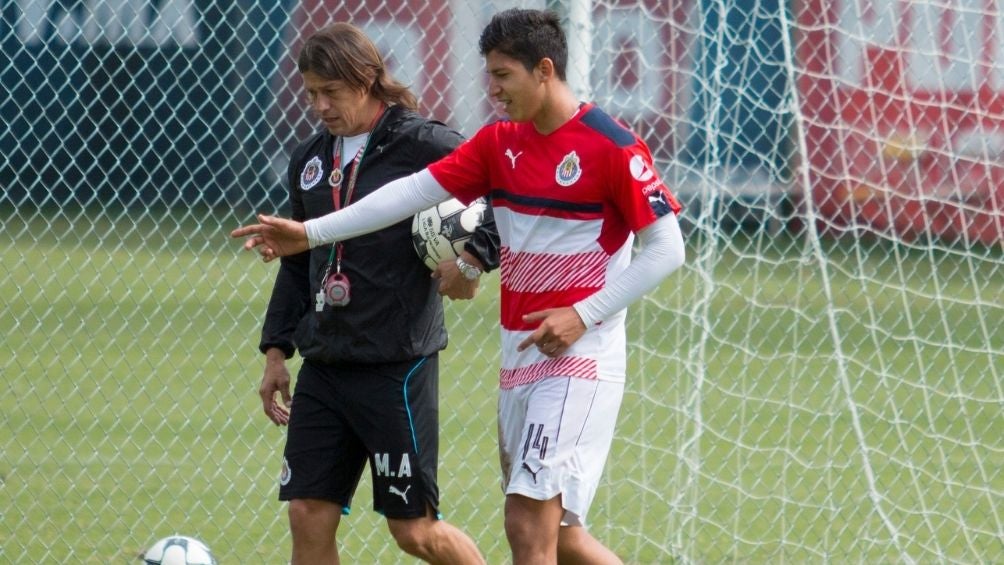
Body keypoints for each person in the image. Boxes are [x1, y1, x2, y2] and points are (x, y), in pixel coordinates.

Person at [233, 9, 685, 565]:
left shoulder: (612, 146)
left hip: (581, 357)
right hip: (521, 353)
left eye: (502, 76)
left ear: (544, 70)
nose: (490, 89)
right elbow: (405, 195)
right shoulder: (499, 145)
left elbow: (668, 249)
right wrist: (309, 234)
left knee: (526, 523)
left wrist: (583, 315)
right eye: (488, 75)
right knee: (563, 538)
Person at [250, 22, 497, 565]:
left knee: (414, 533)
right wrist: (275, 351)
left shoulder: (424, 142)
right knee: (307, 513)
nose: (319, 105)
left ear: (366, 80)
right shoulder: (311, 161)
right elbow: (297, 262)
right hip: (326, 362)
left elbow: (501, 191)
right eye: (310, 92)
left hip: (396, 363)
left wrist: (471, 259)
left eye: (330, 92)